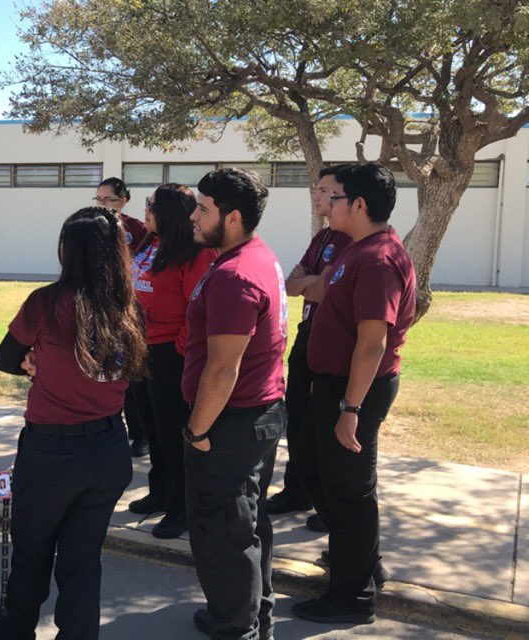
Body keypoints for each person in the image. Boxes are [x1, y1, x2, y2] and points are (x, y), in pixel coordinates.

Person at [0, 206, 146, 640]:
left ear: (67, 250)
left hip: (52, 451)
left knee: (32, 550)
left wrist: (33, 360)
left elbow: (7, 356)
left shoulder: (47, 302)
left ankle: (12, 631)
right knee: (83, 559)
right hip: (108, 448)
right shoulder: (129, 308)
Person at [292, 162, 416, 625]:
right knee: (312, 467)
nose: (325, 204)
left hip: (354, 390)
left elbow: (373, 342)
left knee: (349, 491)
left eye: (334, 196)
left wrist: (351, 408)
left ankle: (353, 597)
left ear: (359, 205)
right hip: (331, 385)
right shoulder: (355, 248)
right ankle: (362, 560)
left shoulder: (378, 258)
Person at [183, 168, 288, 640]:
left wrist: (197, 431)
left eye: (203, 207)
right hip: (257, 415)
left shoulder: (235, 274)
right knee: (246, 520)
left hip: (232, 423)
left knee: (223, 529)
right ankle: (251, 611)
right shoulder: (252, 254)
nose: (193, 215)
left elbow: (223, 369)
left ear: (233, 216)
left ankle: (235, 625)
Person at [126, 184, 217, 540]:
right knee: (151, 429)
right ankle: (160, 492)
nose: (145, 210)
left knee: (172, 434)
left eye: (151, 205)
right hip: (142, 349)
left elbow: (198, 310)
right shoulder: (151, 244)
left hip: (170, 356)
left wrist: (178, 350)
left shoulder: (195, 254)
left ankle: (181, 509)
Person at [268, 165, 352, 530]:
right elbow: (292, 282)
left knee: (325, 425)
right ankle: (297, 490)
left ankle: (329, 502)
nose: (316, 197)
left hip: (335, 343)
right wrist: (314, 279)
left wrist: (312, 281)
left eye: (324, 191)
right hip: (308, 333)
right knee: (298, 417)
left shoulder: (353, 240)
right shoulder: (322, 237)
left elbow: (322, 289)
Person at [94, 177, 150, 458]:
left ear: (123, 200)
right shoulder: (91, 225)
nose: (102, 205)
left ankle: (139, 434)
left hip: (130, 307)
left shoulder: (137, 229)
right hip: (100, 305)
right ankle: (105, 428)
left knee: (131, 372)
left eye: (108, 200)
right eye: (98, 199)